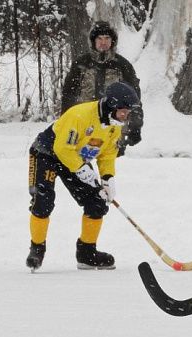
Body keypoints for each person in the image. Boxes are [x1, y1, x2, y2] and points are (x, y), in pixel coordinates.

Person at [26, 82, 140, 272]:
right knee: (43, 200)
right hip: (47, 153)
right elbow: (62, 149)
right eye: (123, 111)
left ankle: (87, 253)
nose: (125, 115)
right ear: (111, 105)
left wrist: (107, 177)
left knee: (97, 201)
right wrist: (81, 168)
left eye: (127, 112)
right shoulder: (80, 115)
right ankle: (37, 248)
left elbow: (107, 154)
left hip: (74, 157)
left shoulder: (114, 126)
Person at [61, 21, 143, 155]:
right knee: (79, 162)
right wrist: (65, 122)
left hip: (113, 128)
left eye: (107, 38)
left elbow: (134, 101)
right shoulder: (81, 64)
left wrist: (135, 127)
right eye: (99, 38)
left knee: (109, 166)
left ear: (112, 41)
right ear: (93, 41)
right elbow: (68, 96)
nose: (103, 42)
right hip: (84, 126)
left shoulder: (123, 66)